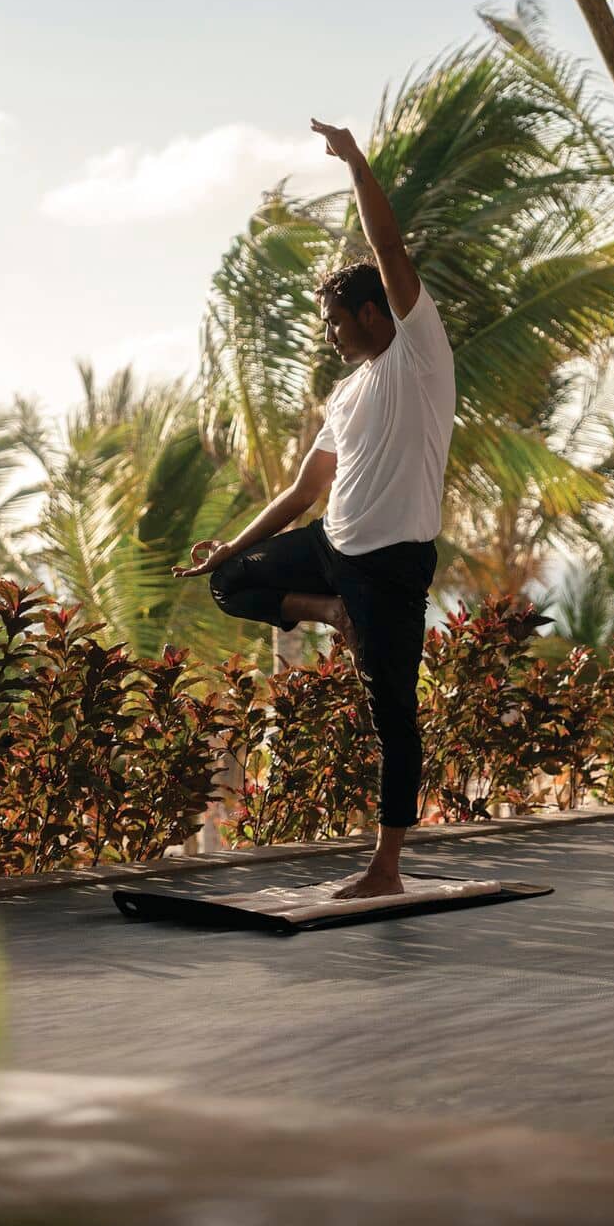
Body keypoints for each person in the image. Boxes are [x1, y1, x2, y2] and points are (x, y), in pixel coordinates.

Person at [174, 118, 454, 901]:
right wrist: (226, 549)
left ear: (372, 314)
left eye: (336, 322)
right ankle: (329, 610)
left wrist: (356, 162)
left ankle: (386, 867)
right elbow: (302, 491)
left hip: (394, 567)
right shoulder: (348, 390)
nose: (329, 337)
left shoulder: (417, 355)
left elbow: (391, 252)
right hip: (332, 552)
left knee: (392, 712)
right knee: (230, 582)